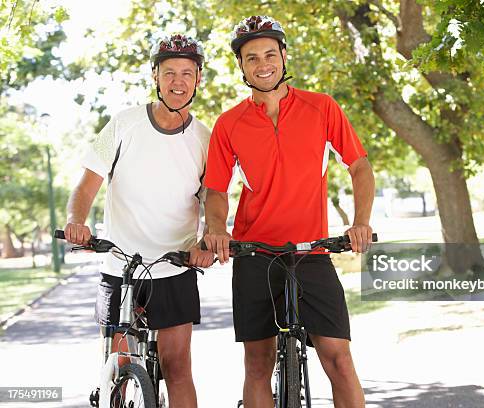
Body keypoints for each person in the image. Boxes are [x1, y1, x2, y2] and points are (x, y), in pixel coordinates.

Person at [203, 16, 375, 408]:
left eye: (269, 54)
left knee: (339, 359)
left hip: (311, 252)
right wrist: (216, 228)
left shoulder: (321, 107)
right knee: (257, 365)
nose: (262, 64)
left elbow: (360, 167)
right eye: (251, 58)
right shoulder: (229, 124)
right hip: (254, 255)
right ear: (242, 67)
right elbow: (215, 188)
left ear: (283, 55)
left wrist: (360, 221)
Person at [63, 34, 214, 408]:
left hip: (175, 267)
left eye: (186, 73)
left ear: (198, 80)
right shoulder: (124, 124)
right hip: (121, 266)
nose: (177, 81)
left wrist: (207, 239)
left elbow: (214, 201)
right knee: (120, 364)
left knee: (177, 367)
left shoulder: (205, 138)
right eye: (169, 73)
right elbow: (86, 187)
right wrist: (75, 221)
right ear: (155, 77)